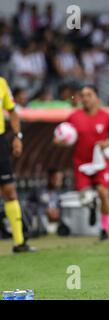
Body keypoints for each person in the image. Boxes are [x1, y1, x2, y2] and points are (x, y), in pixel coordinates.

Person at [54, 85, 109, 240]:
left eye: (89, 94)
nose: (85, 98)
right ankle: (91, 206)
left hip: (100, 163)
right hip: (81, 164)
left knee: (103, 193)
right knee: (85, 197)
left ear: (96, 98)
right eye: (82, 95)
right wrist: (60, 141)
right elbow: (62, 135)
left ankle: (105, 229)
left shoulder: (106, 117)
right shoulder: (74, 117)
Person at [0, 76, 36, 253]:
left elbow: (12, 112)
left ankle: (19, 242)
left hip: (0, 142)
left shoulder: (2, 83)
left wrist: (17, 137)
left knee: (9, 190)